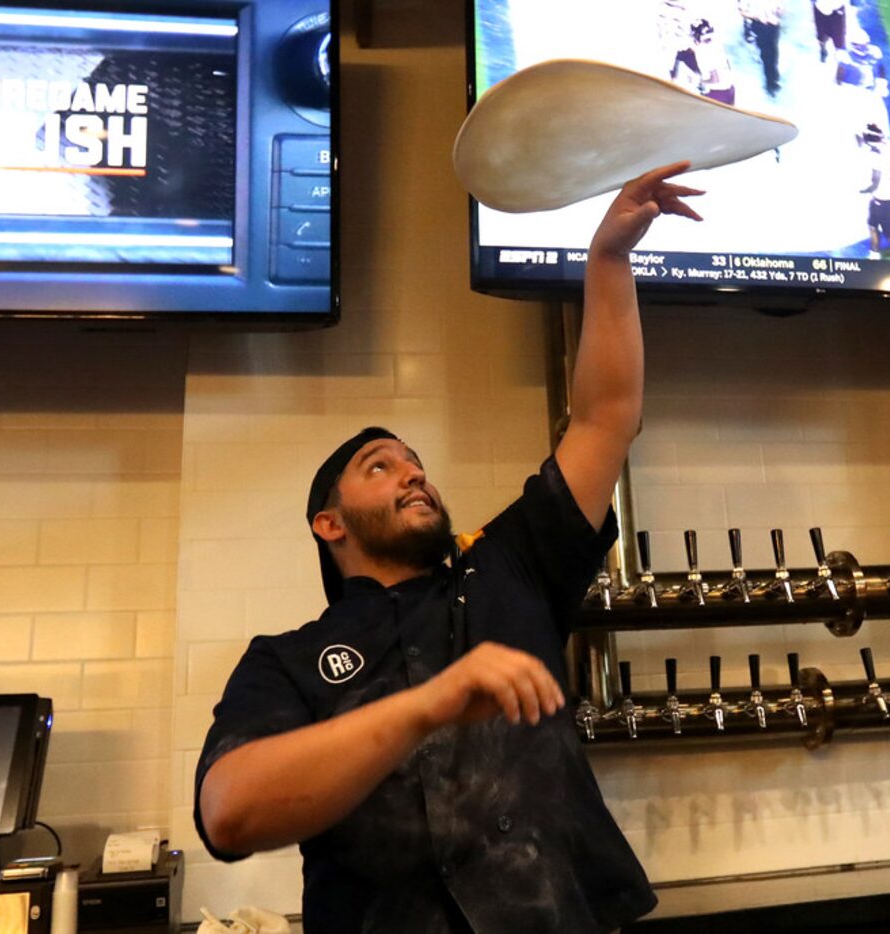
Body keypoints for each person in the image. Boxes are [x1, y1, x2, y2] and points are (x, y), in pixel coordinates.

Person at [194, 163, 704, 934]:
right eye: (380, 467)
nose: (413, 474)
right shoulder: (287, 662)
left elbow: (605, 416)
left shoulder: (510, 569)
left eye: (416, 464)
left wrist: (607, 260)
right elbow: (230, 812)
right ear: (328, 524)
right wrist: (428, 705)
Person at [857, 123, 890, 258]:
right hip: (880, 199)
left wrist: (863, 191)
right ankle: (874, 253)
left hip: (885, 201)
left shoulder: (875, 156)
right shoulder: (885, 147)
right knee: (872, 225)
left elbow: (876, 182)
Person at [672, 19, 737, 104]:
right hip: (729, 90)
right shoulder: (716, 45)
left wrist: (698, 82)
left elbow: (715, 79)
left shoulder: (704, 52)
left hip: (718, 94)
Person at [739, 0, 784, 97]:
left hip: (774, 26)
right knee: (766, 55)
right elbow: (742, 12)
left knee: (774, 53)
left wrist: (779, 11)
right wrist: (757, 16)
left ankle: (774, 77)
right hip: (760, 26)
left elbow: (781, 9)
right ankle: (770, 84)